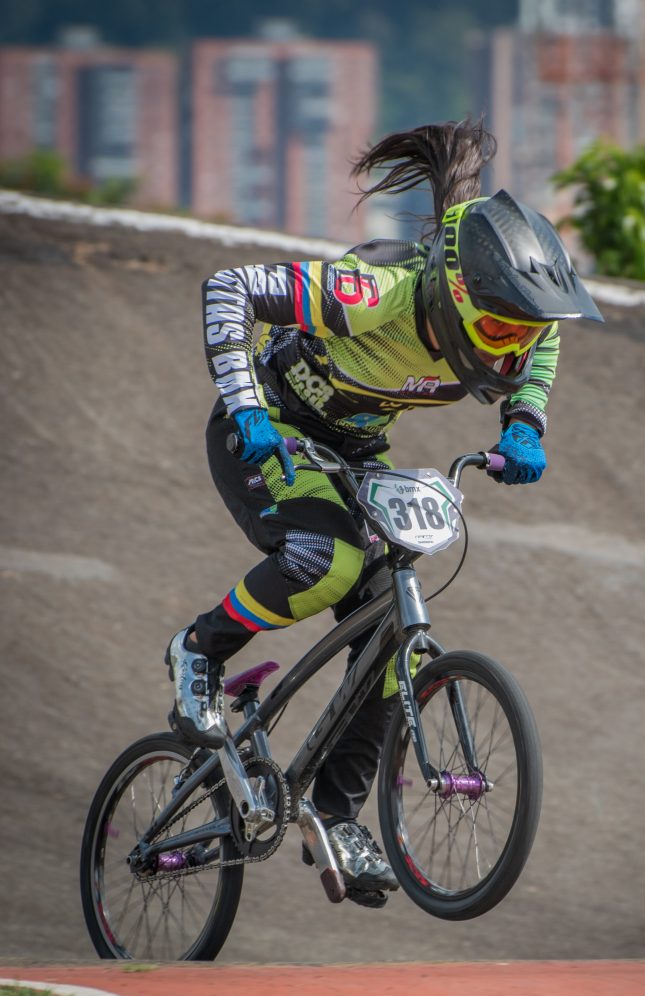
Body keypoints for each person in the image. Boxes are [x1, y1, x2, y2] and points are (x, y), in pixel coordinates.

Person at [165, 118, 603, 906]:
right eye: (497, 326)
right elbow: (229, 288)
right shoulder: (377, 295)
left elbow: (543, 340)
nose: (510, 348)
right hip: (265, 433)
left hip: (356, 450)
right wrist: (247, 405)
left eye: (522, 330)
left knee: (387, 638)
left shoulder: (519, 328)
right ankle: (200, 648)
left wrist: (525, 420)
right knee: (324, 560)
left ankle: (335, 815)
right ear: (455, 297)